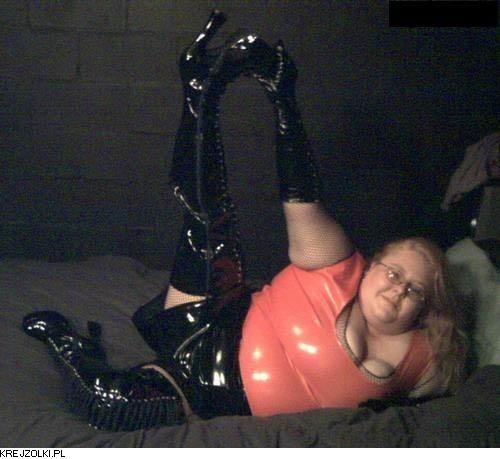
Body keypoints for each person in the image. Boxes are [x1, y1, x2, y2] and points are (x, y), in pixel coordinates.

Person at [22, 10, 467, 431]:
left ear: (427, 306)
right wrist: (282, 98)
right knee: (208, 224)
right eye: (394, 273)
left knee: (109, 405)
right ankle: (202, 92)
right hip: (209, 322)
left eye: (415, 289)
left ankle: (68, 343)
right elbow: (300, 194)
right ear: (372, 267)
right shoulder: (336, 269)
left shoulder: (427, 358)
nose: (398, 289)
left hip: (213, 395)